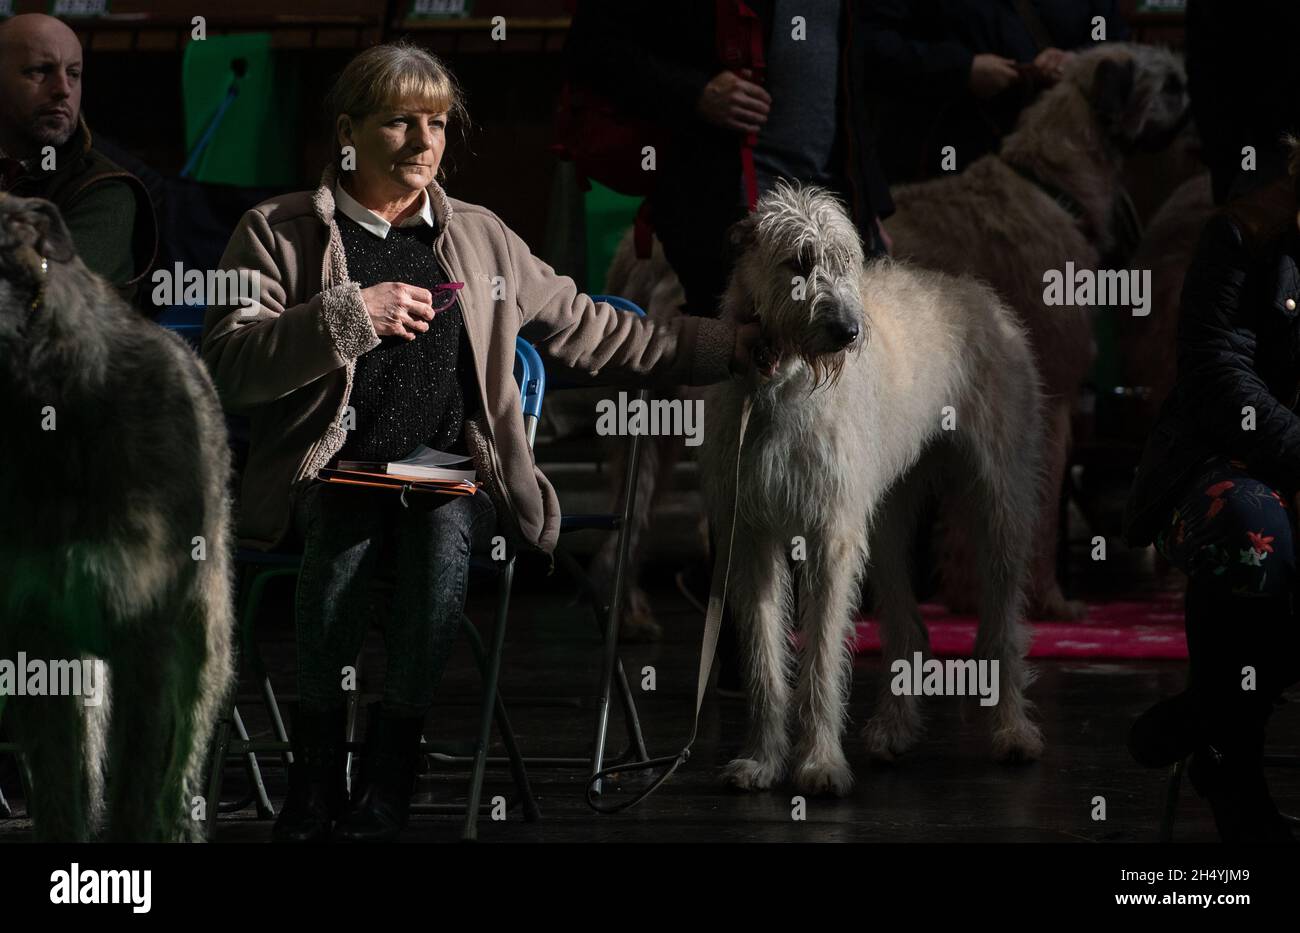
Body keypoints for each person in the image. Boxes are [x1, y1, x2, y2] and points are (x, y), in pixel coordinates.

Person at [201, 42, 760, 843]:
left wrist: (721, 347)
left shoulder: (482, 239)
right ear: (349, 130)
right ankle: (317, 781)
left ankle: (390, 777)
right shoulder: (279, 232)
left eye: (436, 122)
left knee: (434, 517)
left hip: (449, 478)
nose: (424, 141)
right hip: (321, 481)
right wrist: (350, 315)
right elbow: (228, 362)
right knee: (351, 523)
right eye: (399, 121)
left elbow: (592, 327)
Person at [1124, 160, 1300, 844]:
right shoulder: (1244, 235)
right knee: (1251, 530)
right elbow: (1218, 377)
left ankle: (1209, 717)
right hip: (1229, 456)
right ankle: (1233, 771)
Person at [564, 0, 894, 318]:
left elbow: (847, 76)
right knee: (732, 362)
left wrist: (867, 203)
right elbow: (591, 47)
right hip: (720, 212)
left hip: (836, 208)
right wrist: (695, 93)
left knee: (845, 360)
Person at [862, 0, 1129, 183]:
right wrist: (962, 70)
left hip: (1061, 168)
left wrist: (1079, 63)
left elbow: (1116, 43)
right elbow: (873, 43)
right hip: (947, 163)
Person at [0, 13, 156, 302]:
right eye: (40, 71)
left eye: (73, 73)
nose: (63, 89)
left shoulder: (105, 189)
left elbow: (40, 293)